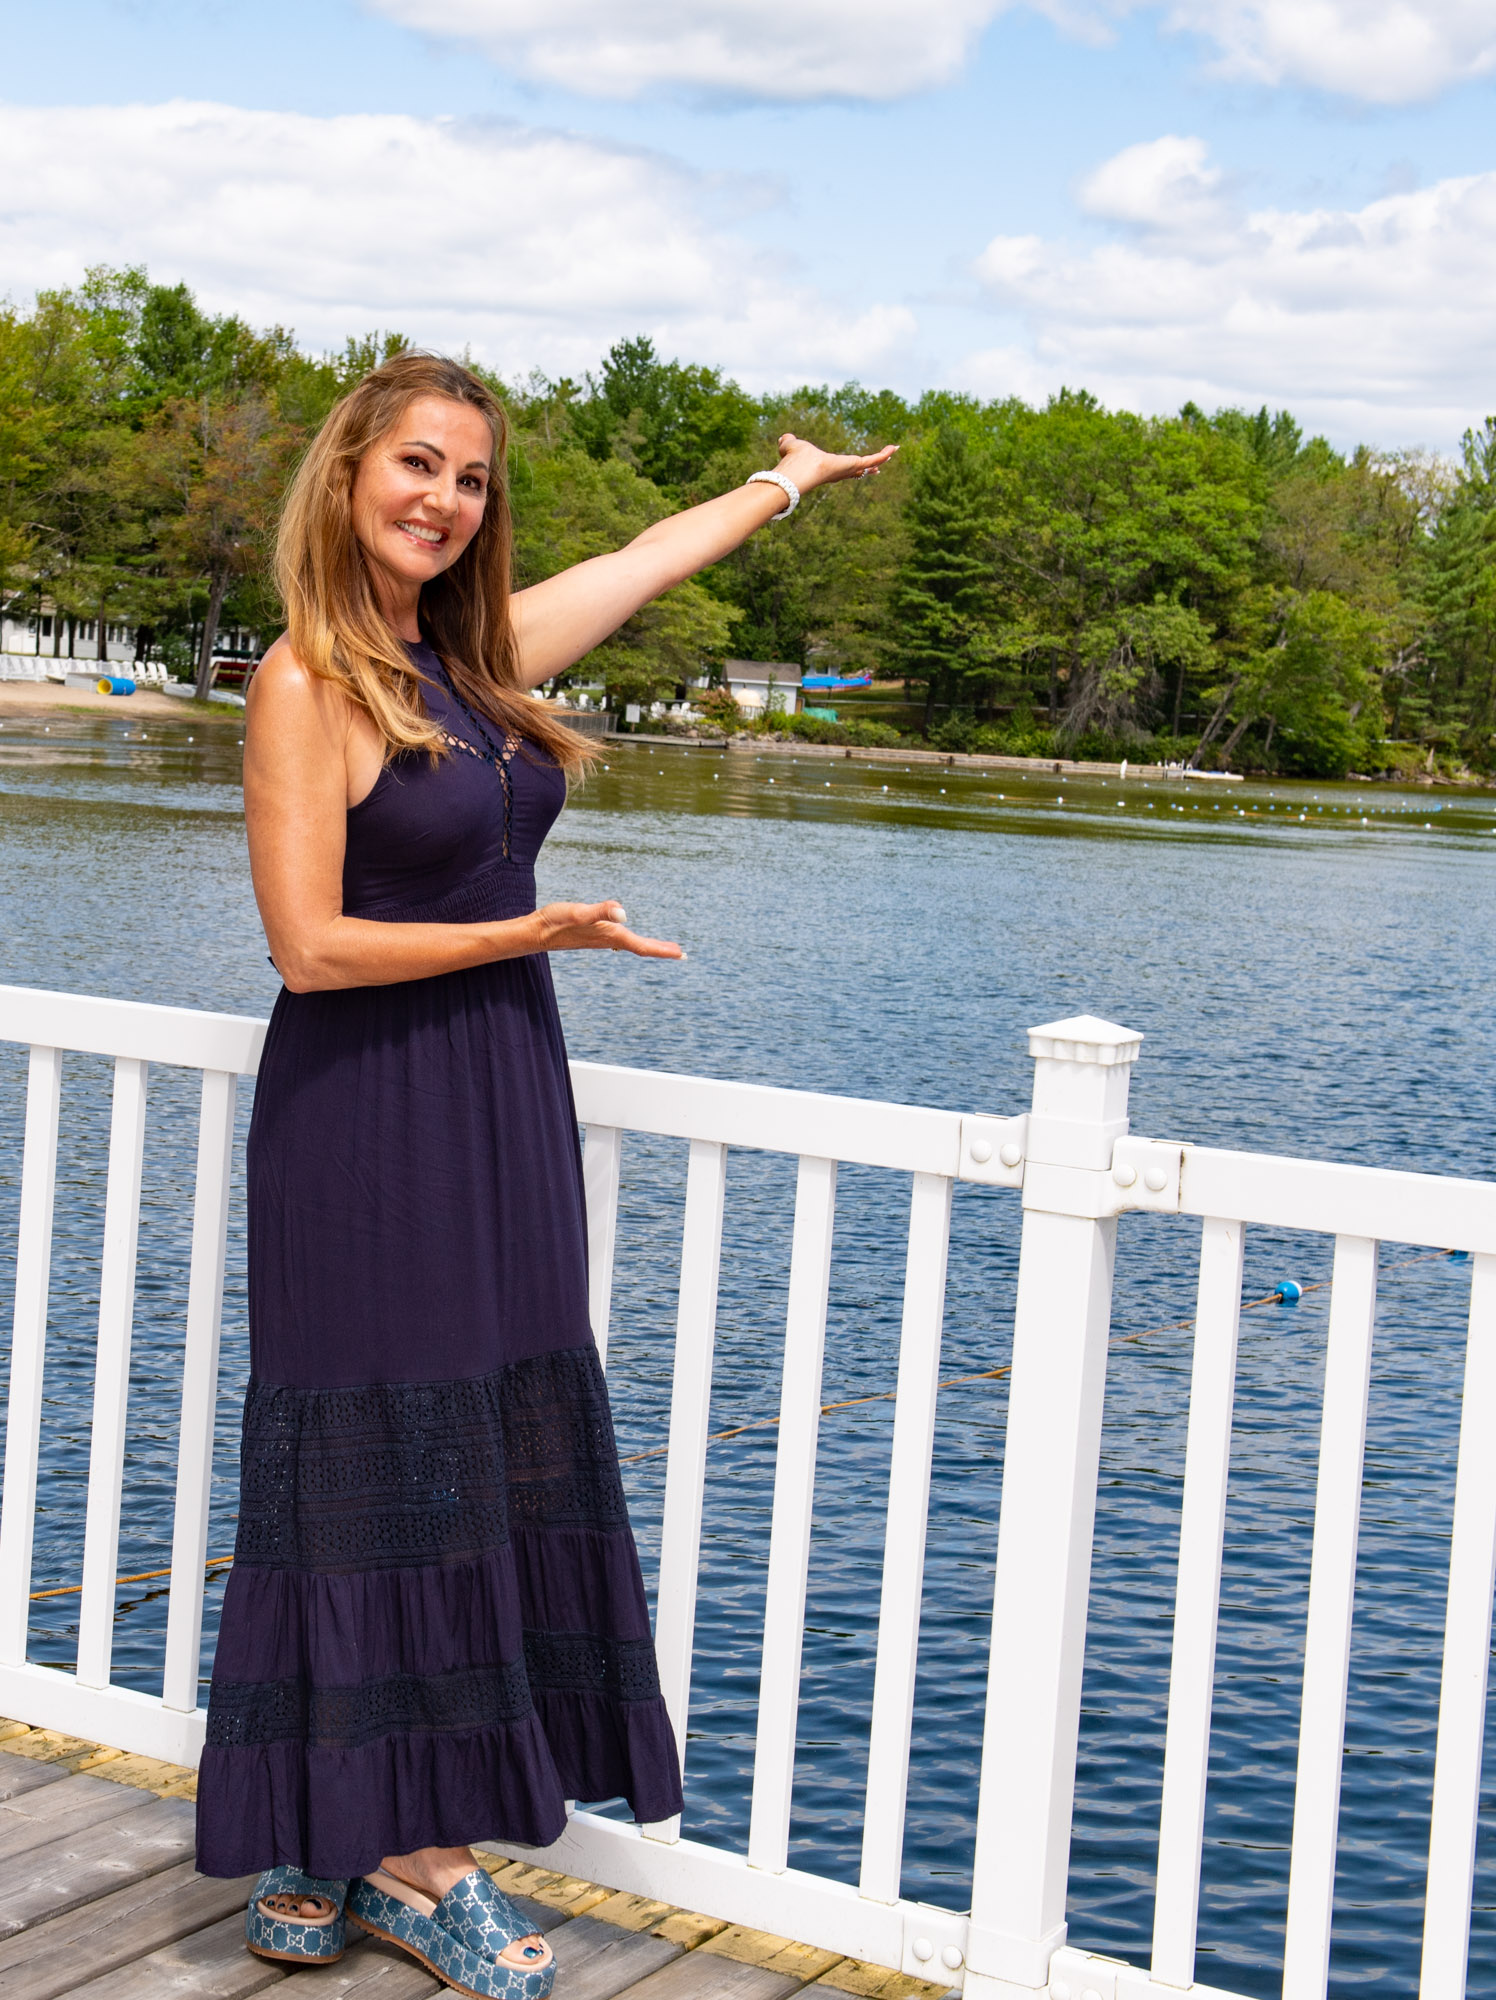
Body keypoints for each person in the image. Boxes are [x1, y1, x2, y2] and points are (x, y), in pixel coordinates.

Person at [203, 351, 892, 1997]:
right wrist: (531, 929)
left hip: (496, 1096)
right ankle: (415, 1854)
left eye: (474, 479)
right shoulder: (308, 679)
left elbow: (648, 563)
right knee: (389, 1447)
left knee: (477, 1441)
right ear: (350, 475)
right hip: (367, 1114)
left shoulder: (475, 659)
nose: (446, 500)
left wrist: (784, 483)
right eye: (418, 467)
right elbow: (305, 948)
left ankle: (347, 1823)